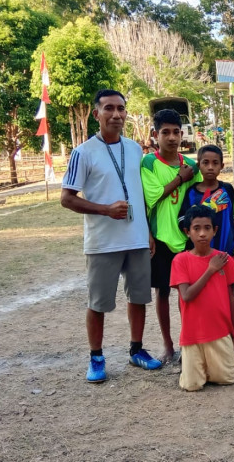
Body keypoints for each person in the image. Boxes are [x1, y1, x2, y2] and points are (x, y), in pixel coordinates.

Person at [60, 89, 162, 383]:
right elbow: (67, 198)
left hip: (137, 239)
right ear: (97, 114)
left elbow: (139, 193)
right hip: (103, 242)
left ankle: (136, 350)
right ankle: (96, 357)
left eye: (121, 109)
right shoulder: (83, 152)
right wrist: (105, 210)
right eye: (109, 108)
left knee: (139, 298)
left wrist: (147, 231)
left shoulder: (134, 149)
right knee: (98, 303)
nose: (116, 114)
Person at [141, 109, 202, 363]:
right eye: (165, 132)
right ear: (155, 135)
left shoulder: (192, 166)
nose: (172, 137)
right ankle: (167, 345)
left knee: (188, 293)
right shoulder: (149, 163)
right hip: (161, 238)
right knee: (163, 291)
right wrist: (180, 178)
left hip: (187, 238)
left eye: (176, 132)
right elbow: (152, 196)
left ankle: (188, 342)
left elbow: (199, 196)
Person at [171, 205, 234, 391]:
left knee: (227, 378)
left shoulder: (225, 259)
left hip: (220, 331)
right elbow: (186, 296)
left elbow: (232, 298)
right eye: (196, 228)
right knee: (191, 385)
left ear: (215, 230)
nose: (202, 233)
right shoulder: (180, 260)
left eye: (207, 228)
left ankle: (208, 367)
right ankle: (194, 365)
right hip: (192, 333)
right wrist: (211, 270)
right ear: (187, 232)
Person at [178, 145, 234, 256]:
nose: (210, 167)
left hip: (225, 248)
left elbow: (233, 216)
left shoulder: (227, 189)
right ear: (198, 165)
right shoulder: (191, 192)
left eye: (215, 163)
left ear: (222, 166)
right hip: (199, 251)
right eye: (205, 163)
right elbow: (182, 219)